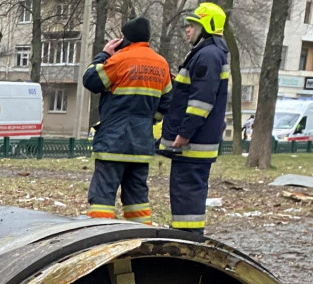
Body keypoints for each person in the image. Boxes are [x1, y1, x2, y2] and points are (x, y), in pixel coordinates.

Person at [82, 18, 172, 224]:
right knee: (138, 198)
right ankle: (141, 238)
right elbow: (167, 102)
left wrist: (103, 54)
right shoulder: (161, 64)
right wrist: (148, 121)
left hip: (113, 140)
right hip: (141, 143)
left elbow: (91, 80)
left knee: (103, 197)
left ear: (125, 39)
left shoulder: (120, 60)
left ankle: (101, 233)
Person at [159, 2, 229, 234]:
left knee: (187, 194)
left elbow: (201, 101)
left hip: (193, 144)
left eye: (193, 25)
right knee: (186, 194)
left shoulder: (207, 55)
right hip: (197, 142)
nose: (188, 30)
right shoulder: (210, 53)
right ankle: (186, 234)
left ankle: (187, 238)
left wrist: (184, 134)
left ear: (207, 26)